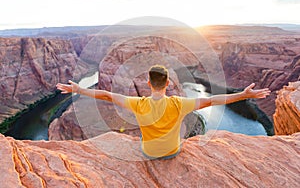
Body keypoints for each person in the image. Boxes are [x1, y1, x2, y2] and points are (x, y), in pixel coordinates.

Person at [56, 65, 270, 160]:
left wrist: (79, 89)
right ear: (168, 83)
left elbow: (106, 96)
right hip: (173, 152)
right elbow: (213, 100)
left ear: (148, 83)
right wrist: (243, 94)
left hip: (147, 153)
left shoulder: (138, 104)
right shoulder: (179, 103)